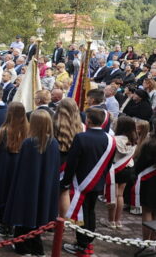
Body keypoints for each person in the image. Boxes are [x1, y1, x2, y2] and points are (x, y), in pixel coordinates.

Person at [4, 110, 60, 256]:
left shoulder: (29, 143)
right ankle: (34, 247)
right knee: (36, 216)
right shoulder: (53, 143)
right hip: (44, 186)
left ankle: (24, 247)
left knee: (25, 216)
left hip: (27, 186)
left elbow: (21, 167)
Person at [62, 108, 116, 256]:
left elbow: (72, 163)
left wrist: (66, 181)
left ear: (89, 121)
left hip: (81, 183)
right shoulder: (111, 139)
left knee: (83, 213)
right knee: (90, 212)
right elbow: (109, 164)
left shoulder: (81, 137)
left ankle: (82, 244)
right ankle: (88, 239)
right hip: (97, 182)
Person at [0, 102, 28, 226]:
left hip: (3, 168)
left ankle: (3, 223)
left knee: (2, 194)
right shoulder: (28, 130)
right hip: (20, 168)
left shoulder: (4, 130)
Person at [103, 116, 137, 228]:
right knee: (120, 195)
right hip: (128, 168)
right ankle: (118, 221)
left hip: (115, 168)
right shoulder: (133, 140)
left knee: (113, 194)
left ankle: (111, 220)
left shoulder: (114, 139)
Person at [54, 98, 84, 217]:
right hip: (70, 162)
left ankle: (50, 218)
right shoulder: (80, 126)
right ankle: (63, 222)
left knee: (52, 192)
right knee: (64, 192)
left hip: (56, 160)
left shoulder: (54, 123)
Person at [134, 136, 156, 241]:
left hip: (150, 180)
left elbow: (140, 164)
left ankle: (146, 241)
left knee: (147, 211)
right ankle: (153, 242)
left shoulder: (150, 145)